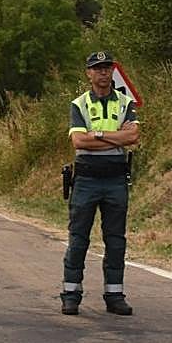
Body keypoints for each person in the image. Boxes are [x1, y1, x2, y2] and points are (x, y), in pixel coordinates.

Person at [61, 51, 139, 316]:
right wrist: (116, 136)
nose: (103, 72)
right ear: (89, 73)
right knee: (78, 238)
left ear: (112, 72)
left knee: (115, 240)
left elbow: (133, 138)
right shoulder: (79, 104)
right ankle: (71, 294)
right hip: (86, 178)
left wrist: (98, 134)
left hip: (116, 177)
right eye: (98, 68)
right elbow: (79, 142)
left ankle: (114, 294)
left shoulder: (125, 102)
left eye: (107, 68)